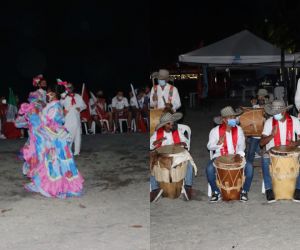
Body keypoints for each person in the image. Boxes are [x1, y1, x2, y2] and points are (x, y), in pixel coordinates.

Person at [25, 91, 84, 198]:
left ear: (55, 95)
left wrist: (37, 117)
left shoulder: (55, 106)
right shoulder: (51, 105)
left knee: (58, 159)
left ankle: (60, 186)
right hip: (53, 135)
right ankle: (54, 183)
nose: (48, 96)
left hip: (55, 136)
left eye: (50, 94)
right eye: (47, 94)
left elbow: (49, 121)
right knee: (52, 160)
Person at [206, 106, 253, 202]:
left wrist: (239, 154)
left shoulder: (238, 129)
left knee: (250, 167)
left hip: (236, 155)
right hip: (220, 157)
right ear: (223, 119)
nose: (233, 119)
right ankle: (216, 192)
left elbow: (242, 145)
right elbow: (209, 146)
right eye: (230, 117)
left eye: (233, 117)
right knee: (209, 168)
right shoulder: (215, 131)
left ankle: (244, 191)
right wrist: (219, 142)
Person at [149, 112, 196, 202]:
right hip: (162, 156)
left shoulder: (177, 131)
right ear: (163, 125)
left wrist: (181, 143)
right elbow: (151, 146)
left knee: (189, 163)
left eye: (172, 123)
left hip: (177, 155)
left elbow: (186, 142)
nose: (171, 125)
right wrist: (158, 141)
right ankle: (155, 188)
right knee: (151, 162)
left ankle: (188, 186)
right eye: (169, 124)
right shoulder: (157, 133)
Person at [260, 100, 300, 203]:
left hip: (291, 152)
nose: (274, 116)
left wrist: (295, 143)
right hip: (273, 153)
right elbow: (261, 143)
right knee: (264, 158)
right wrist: (272, 135)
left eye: (276, 113)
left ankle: (298, 189)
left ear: (284, 112)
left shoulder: (294, 121)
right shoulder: (269, 122)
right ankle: (269, 189)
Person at [60, 82, 87, 156]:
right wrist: (63, 111)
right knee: (68, 135)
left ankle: (77, 152)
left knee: (77, 135)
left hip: (76, 118)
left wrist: (80, 108)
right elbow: (59, 105)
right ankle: (68, 151)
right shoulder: (64, 96)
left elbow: (85, 105)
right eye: (68, 87)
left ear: (73, 88)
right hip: (68, 118)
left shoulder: (78, 96)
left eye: (71, 87)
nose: (69, 89)